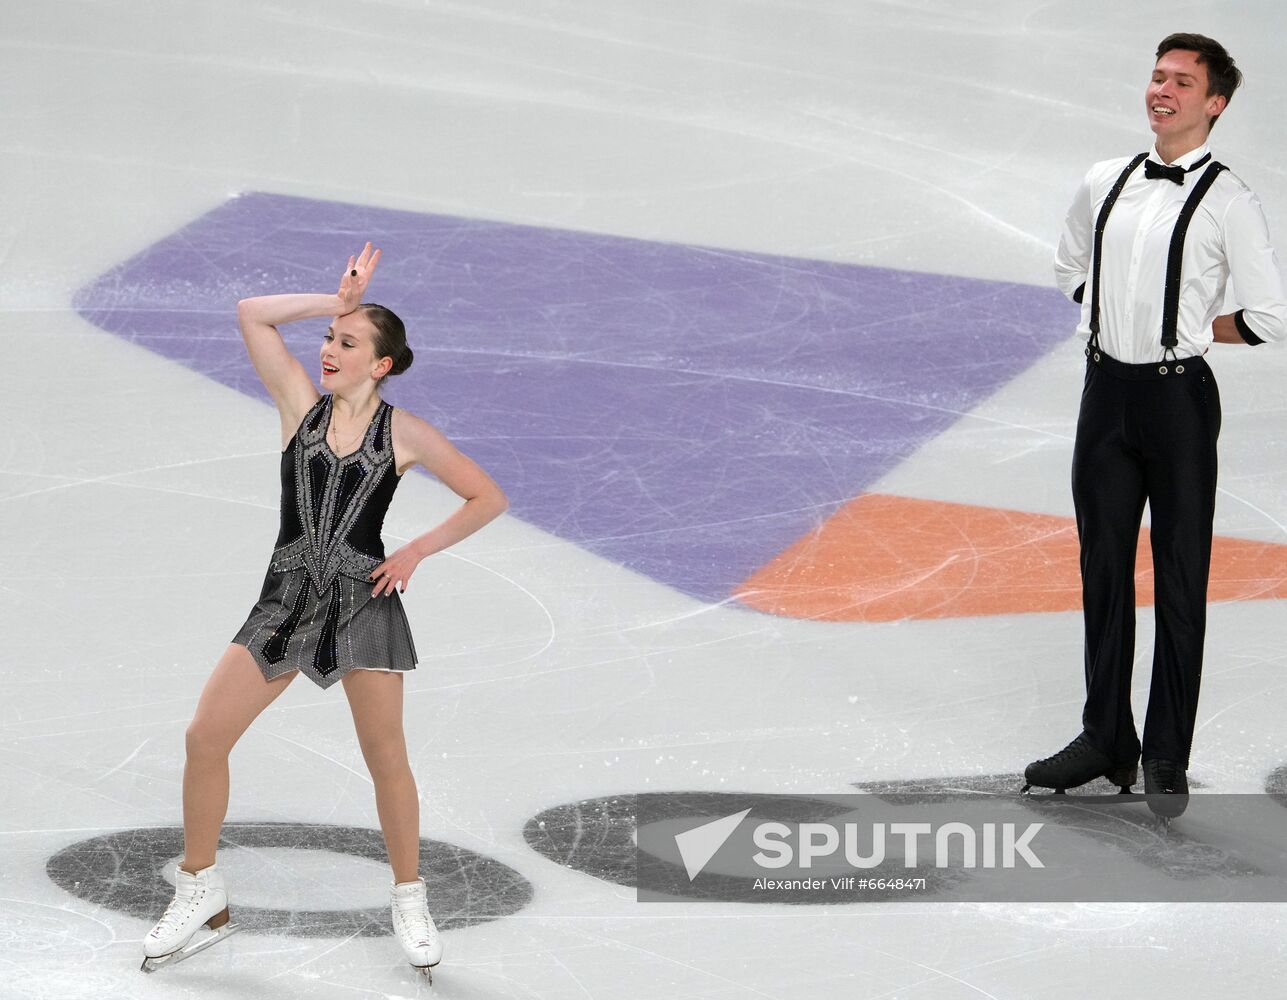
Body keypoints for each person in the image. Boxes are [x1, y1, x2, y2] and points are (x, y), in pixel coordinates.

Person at [141, 243, 508, 978]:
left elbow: (487, 497)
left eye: (347, 342)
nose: (329, 350)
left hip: (361, 604)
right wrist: (334, 302)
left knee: (385, 760)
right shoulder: (298, 408)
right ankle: (201, 889)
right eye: (328, 340)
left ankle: (408, 897)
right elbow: (251, 315)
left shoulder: (404, 434)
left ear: (381, 365)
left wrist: (413, 552)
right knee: (204, 736)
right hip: (284, 599)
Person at [1023, 34, 1287, 816]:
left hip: (1176, 402)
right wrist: (1115, 316)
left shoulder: (1231, 201)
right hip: (1103, 395)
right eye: (1156, 76)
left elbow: (1272, 316)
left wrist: (1198, 329)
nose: (1161, 90)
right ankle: (1106, 736)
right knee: (1101, 568)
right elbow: (1071, 267)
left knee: (1178, 575)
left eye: (1182, 82)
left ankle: (1166, 752)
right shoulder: (1103, 181)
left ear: (1215, 103)